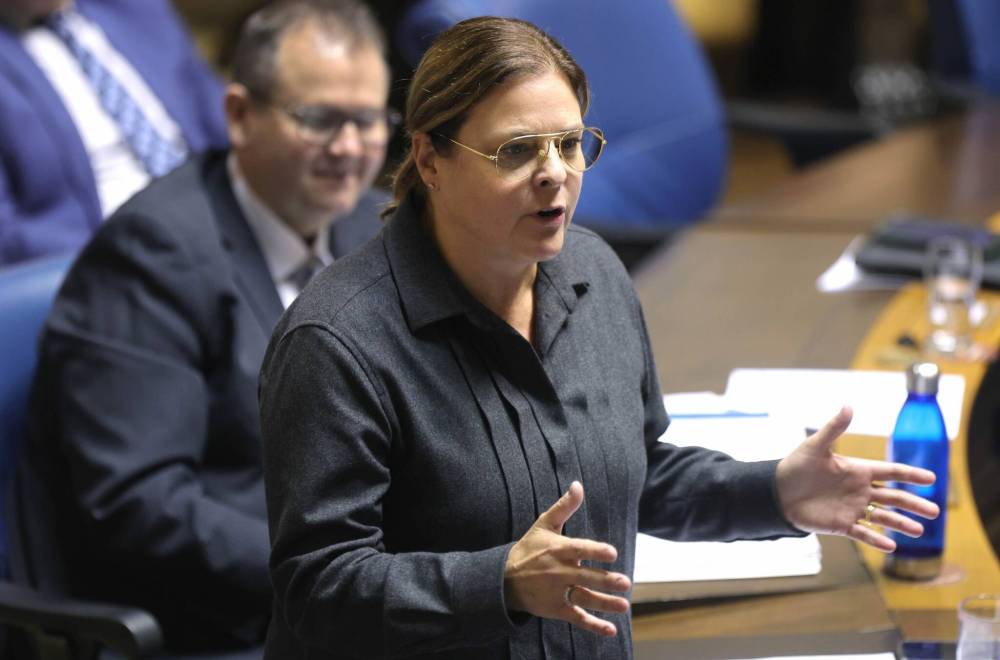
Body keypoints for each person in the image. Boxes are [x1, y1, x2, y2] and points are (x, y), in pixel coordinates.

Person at [258, 16, 940, 660]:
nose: (555, 172)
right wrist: (497, 582)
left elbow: (633, 475)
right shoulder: (337, 341)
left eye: (570, 143)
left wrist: (775, 493)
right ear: (430, 158)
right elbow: (315, 588)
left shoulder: (593, 274)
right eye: (517, 150)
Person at [13, 0, 393, 654]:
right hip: (234, 622)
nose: (349, 149)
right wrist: (335, 570)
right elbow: (139, 504)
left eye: (368, 120)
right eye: (319, 120)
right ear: (240, 115)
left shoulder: (377, 228)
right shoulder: (150, 255)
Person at [0, 0, 230, 266]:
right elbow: (7, 233)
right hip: (108, 260)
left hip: (217, 215)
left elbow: (224, 124)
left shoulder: (135, 7)